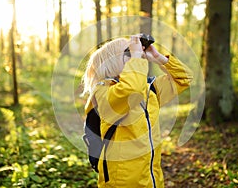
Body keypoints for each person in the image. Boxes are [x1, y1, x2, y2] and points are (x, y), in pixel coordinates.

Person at [82, 35, 193, 188]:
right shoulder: (102, 93)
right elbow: (131, 90)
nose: (136, 55)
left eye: (134, 52)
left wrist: (157, 57)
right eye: (127, 53)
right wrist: (136, 57)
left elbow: (184, 78)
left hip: (151, 177)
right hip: (122, 181)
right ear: (111, 63)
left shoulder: (149, 90)